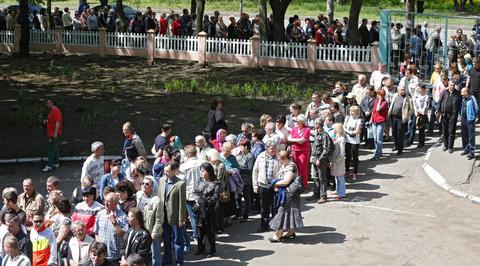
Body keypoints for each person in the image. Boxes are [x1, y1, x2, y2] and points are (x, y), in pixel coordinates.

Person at [268, 150, 304, 242]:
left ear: (285, 158)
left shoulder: (291, 167)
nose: (279, 161)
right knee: (288, 212)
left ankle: (278, 235)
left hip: (289, 194)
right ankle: (291, 232)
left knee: (282, 211)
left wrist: (274, 184)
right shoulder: (285, 165)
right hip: (287, 193)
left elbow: (286, 181)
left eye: (280, 159)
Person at [158, 163, 187, 266]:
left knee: (177, 241)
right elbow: (159, 197)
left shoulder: (180, 184)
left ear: (174, 171)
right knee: (166, 240)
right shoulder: (161, 181)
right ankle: (168, 259)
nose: (165, 173)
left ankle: (179, 262)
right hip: (164, 217)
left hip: (175, 218)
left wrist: (181, 219)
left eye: (167, 171)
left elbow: (182, 203)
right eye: (164, 171)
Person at [192, 163, 220, 257]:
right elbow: (195, 192)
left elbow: (215, 196)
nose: (201, 173)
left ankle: (211, 249)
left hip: (210, 210)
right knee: (200, 230)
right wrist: (199, 201)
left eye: (203, 171)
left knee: (209, 231)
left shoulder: (216, 183)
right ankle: (200, 248)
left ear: (209, 171)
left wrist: (205, 202)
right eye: (201, 171)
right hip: (199, 209)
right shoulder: (199, 181)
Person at [252, 140, 280, 233]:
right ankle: (264, 225)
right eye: (272, 148)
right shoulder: (261, 156)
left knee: (275, 206)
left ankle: (274, 226)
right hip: (263, 185)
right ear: (267, 148)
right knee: (264, 207)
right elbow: (255, 171)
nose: (274, 150)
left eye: (275, 148)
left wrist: (279, 184)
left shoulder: (279, 157)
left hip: (275, 186)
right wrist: (255, 185)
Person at [94, 192, 128, 265]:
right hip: (101, 257)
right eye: (105, 201)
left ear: (115, 203)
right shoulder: (100, 214)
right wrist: (99, 247)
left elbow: (125, 237)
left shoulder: (122, 217)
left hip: (115, 258)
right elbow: (96, 233)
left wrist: (114, 223)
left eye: (109, 202)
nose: (106, 203)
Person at [179, 145, 202, 247]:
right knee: (202, 215)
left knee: (193, 216)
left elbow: (182, 181)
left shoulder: (183, 166)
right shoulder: (202, 163)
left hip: (190, 194)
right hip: (202, 193)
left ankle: (197, 236)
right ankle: (203, 234)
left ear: (187, 154)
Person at [310, 118, 333, 203]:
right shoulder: (316, 134)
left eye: (315, 123)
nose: (314, 124)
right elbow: (314, 147)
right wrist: (312, 157)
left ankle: (323, 196)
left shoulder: (324, 135)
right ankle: (316, 194)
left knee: (322, 178)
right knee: (315, 177)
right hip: (315, 159)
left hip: (321, 160)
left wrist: (319, 159)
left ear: (319, 124)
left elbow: (326, 149)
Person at [142, 179, 163, 266]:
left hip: (153, 232)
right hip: (143, 231)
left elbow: (159, 219)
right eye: (142, 183)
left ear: (152, 187)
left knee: (156, 254)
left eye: (147, 184)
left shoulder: (157, 200)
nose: (144, 185)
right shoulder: (139, 196)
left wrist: (154, 233)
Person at [388, 84, 414, 155]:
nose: (403, 91)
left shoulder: (408, 98)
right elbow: (392, 104)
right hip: (393, 117)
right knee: (394, 132)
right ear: (398, 90)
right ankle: (395, 145)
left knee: (400, 134)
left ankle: (400, 149)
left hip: (401, 119)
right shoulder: (395, 95)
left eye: (404, 89)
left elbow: (411, 110)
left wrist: (406, 116)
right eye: (402, 90)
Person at [437, 81, 462, 153]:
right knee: (444, 130)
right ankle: (445, 145)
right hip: (444, 114)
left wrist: (459, 114)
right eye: (451, 85)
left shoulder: (457, 93)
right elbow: (440, 101)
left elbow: (460, 104)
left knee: (451, 131)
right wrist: (438, 109)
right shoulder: (444, 92)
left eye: (453, 85)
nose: (452, 86)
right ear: (448, 85)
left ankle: (450, 147)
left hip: (453, 115)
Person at [287, 114, 310, 189]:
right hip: (294, 151)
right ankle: (296, 185)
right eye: (295, 121)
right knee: (295, 168)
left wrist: (294, 140)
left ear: (302, 123)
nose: (296, 123)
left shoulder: (307, 130)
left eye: (297, 122)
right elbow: (289, 138)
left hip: (303, 151)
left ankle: (305, 185)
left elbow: (302, 141)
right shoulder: (294, 129)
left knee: (303, 168)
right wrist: (298, 140)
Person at [235, 139, 254, 222]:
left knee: (247, 198)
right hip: (239, 180)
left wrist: (239, 168)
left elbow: (250, 169)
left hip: (246, 181)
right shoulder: (241, 154)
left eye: (241, 146)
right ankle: (238, 213)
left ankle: (245, 215)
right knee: (238, 197)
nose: (240, 148)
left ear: (246, 146)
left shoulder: (250, 156)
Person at [42, 99, 63, 172]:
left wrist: (55, 133)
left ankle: (49, 165)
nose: (47, 104)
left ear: (52, 103)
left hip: (53, 134)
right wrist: (47, 122)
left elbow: (58, 122)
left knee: (51, 149)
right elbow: (53, 121)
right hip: (52, 133)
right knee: (55, 148)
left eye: (48, 103)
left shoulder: (55, 110)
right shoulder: (52, 111)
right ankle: (56, 162)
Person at [343, 106, 362, 180]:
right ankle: (347, 170)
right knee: (347, 156)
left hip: (355, 141)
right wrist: (349, 132)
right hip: (347, 140)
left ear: (356, 112)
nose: (351, 112)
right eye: (350, 111)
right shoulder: (347, 118)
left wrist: (351, 132)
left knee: (355, 157)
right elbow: (344, 126)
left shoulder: (358, 120)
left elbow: (357, 131)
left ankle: (355, 172)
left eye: (353, 111)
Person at [370, 88, 388, 160]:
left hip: (381, 122)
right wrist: (371, 119)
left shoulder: (384, 102)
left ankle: (377, 156)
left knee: (379, 139)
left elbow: (378, 109)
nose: (377, 96)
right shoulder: (376, 101)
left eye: (378, 95)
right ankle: (379, 152)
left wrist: (380, 100)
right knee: (375, 139)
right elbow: (374, 111)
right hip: (374, 121)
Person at [330, 123, 346, 200]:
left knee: (340, 177)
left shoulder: (342, 139)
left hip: (339, 162)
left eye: (334, 129)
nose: (333, 130)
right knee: (336, 177)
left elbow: (342, 153)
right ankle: (337, 190)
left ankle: (342, 193)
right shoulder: (337, 137)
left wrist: (336, 161)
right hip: (335, 160)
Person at [460, 87, 477, 160]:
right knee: (464, 135)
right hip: (463, 120)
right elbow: (462, 108)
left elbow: (476, 108)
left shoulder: (472, 98)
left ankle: (471, 152)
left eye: (462, 92)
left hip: (470, 120)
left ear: (466, 92)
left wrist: (474, 117)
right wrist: (460, 116)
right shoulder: (463, 98)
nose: (461, 93)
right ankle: (466, 150)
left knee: (471, 137)